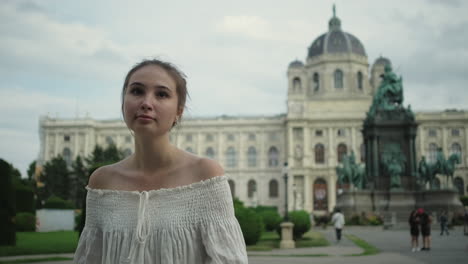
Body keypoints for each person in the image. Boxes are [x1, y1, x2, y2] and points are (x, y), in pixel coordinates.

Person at [73, 59, 248, 264]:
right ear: (123, 104)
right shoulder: (102, 182)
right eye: (137, 91)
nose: (146, 103)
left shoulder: (206, 177)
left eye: (162, 94)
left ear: (178, 112)